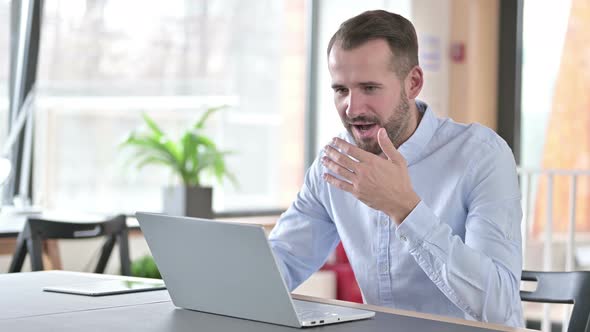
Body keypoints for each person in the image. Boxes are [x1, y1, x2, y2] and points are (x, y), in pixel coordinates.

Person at [268, 9, 523, 327]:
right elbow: (284, 260)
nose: (352, 108)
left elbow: (499, 307)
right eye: (341, 90)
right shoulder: (334, 163)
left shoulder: (481, 155)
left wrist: (405, 208)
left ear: (413, 83)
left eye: (369, 88)